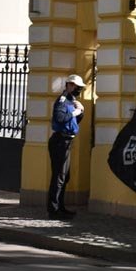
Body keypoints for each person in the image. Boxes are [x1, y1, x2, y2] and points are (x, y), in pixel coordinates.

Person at [47, 74, 85, 220]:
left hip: (66, 141)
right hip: (59, 142)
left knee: (64, 176)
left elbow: (74, 122)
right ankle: (54, 209)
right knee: (59, 176)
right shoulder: (62, 101)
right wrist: (74, 112)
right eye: (76, 87)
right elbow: (60, 118)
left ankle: (60, 207)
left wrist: (81, 111)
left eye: (80, 88)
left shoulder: (71, 100)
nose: (78, 89)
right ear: (69, 85)